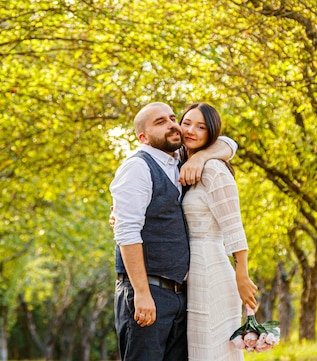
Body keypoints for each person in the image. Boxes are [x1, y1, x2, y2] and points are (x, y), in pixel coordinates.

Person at [110, 102, 237, 361]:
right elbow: (127, 234)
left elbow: (228, 143)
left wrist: (201, 157)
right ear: (143, 137)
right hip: (147, 292)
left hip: (178, 295)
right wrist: (143, 294)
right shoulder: (137, 167)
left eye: (171, 118)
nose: (171, 124)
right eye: (160, 122)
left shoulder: (177, 160)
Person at [179, 103, 257, 361]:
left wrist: (242, 274)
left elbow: (233, 224)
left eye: (201, 127)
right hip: (191, 274)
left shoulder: (213, 169)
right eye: (187, 122)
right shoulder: (181, 164)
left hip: (211, 271)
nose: (191, 130)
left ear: (210, 134)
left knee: (212, 352)